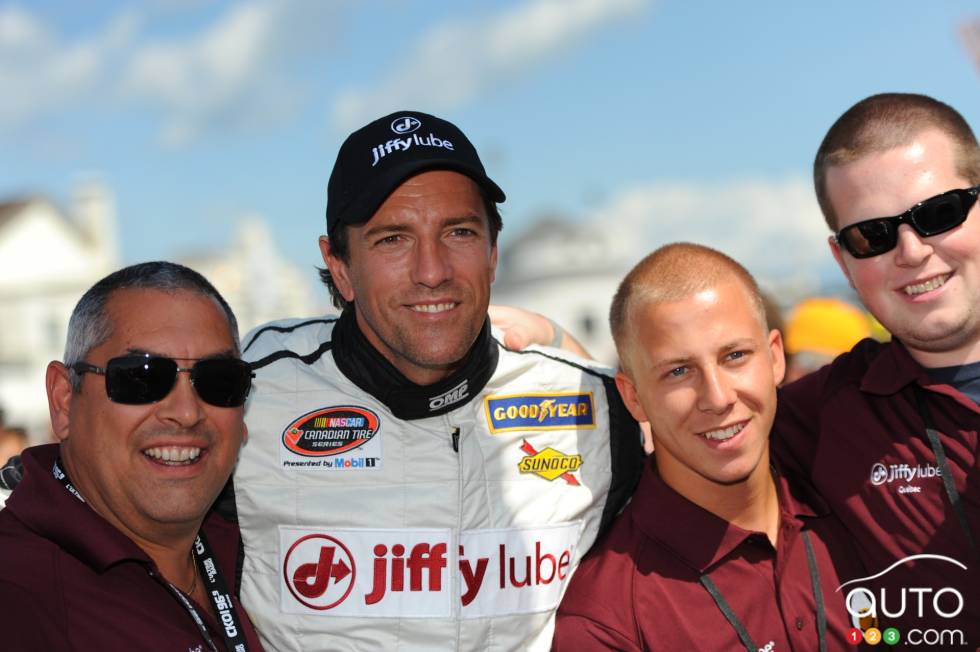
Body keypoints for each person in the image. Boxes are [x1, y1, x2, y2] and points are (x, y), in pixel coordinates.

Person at [229, 111, 644, 651]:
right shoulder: (245, 393)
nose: (432, 270)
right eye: (393, 239)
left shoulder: (597, 408)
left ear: (493, 252)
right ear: (340, 266)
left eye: (459, 232)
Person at [553, 243, 859, 651]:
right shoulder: (606, 623)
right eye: (679, 371)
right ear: (633, 397)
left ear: (775, 359)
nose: (717, 397)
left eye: (735, 355)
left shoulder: (863, 503)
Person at [776, 93, 980, 644]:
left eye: (940, 213)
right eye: (874, 235)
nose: (912, 251)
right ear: (842, 261)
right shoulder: (805, 421)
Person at [0, 261, 264, 651]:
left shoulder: (252, 549)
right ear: (64, 399)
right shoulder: (17, 594)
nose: (187, 412)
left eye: (218, 380)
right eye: (142, 377)